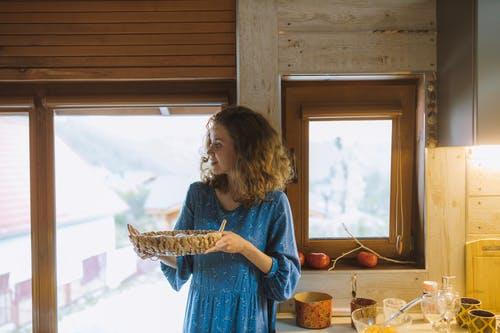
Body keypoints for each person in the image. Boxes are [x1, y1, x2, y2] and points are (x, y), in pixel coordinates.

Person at [135, 105, 301, 333]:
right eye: (210, 142)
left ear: (244, 149)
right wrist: (154, 251)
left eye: (218, 144)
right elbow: (186, 261)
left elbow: (285, 280)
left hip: (248, 320)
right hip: (202, 316)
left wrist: (244, 247)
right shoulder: (198, 195)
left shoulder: (274, 203)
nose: (209, 151)